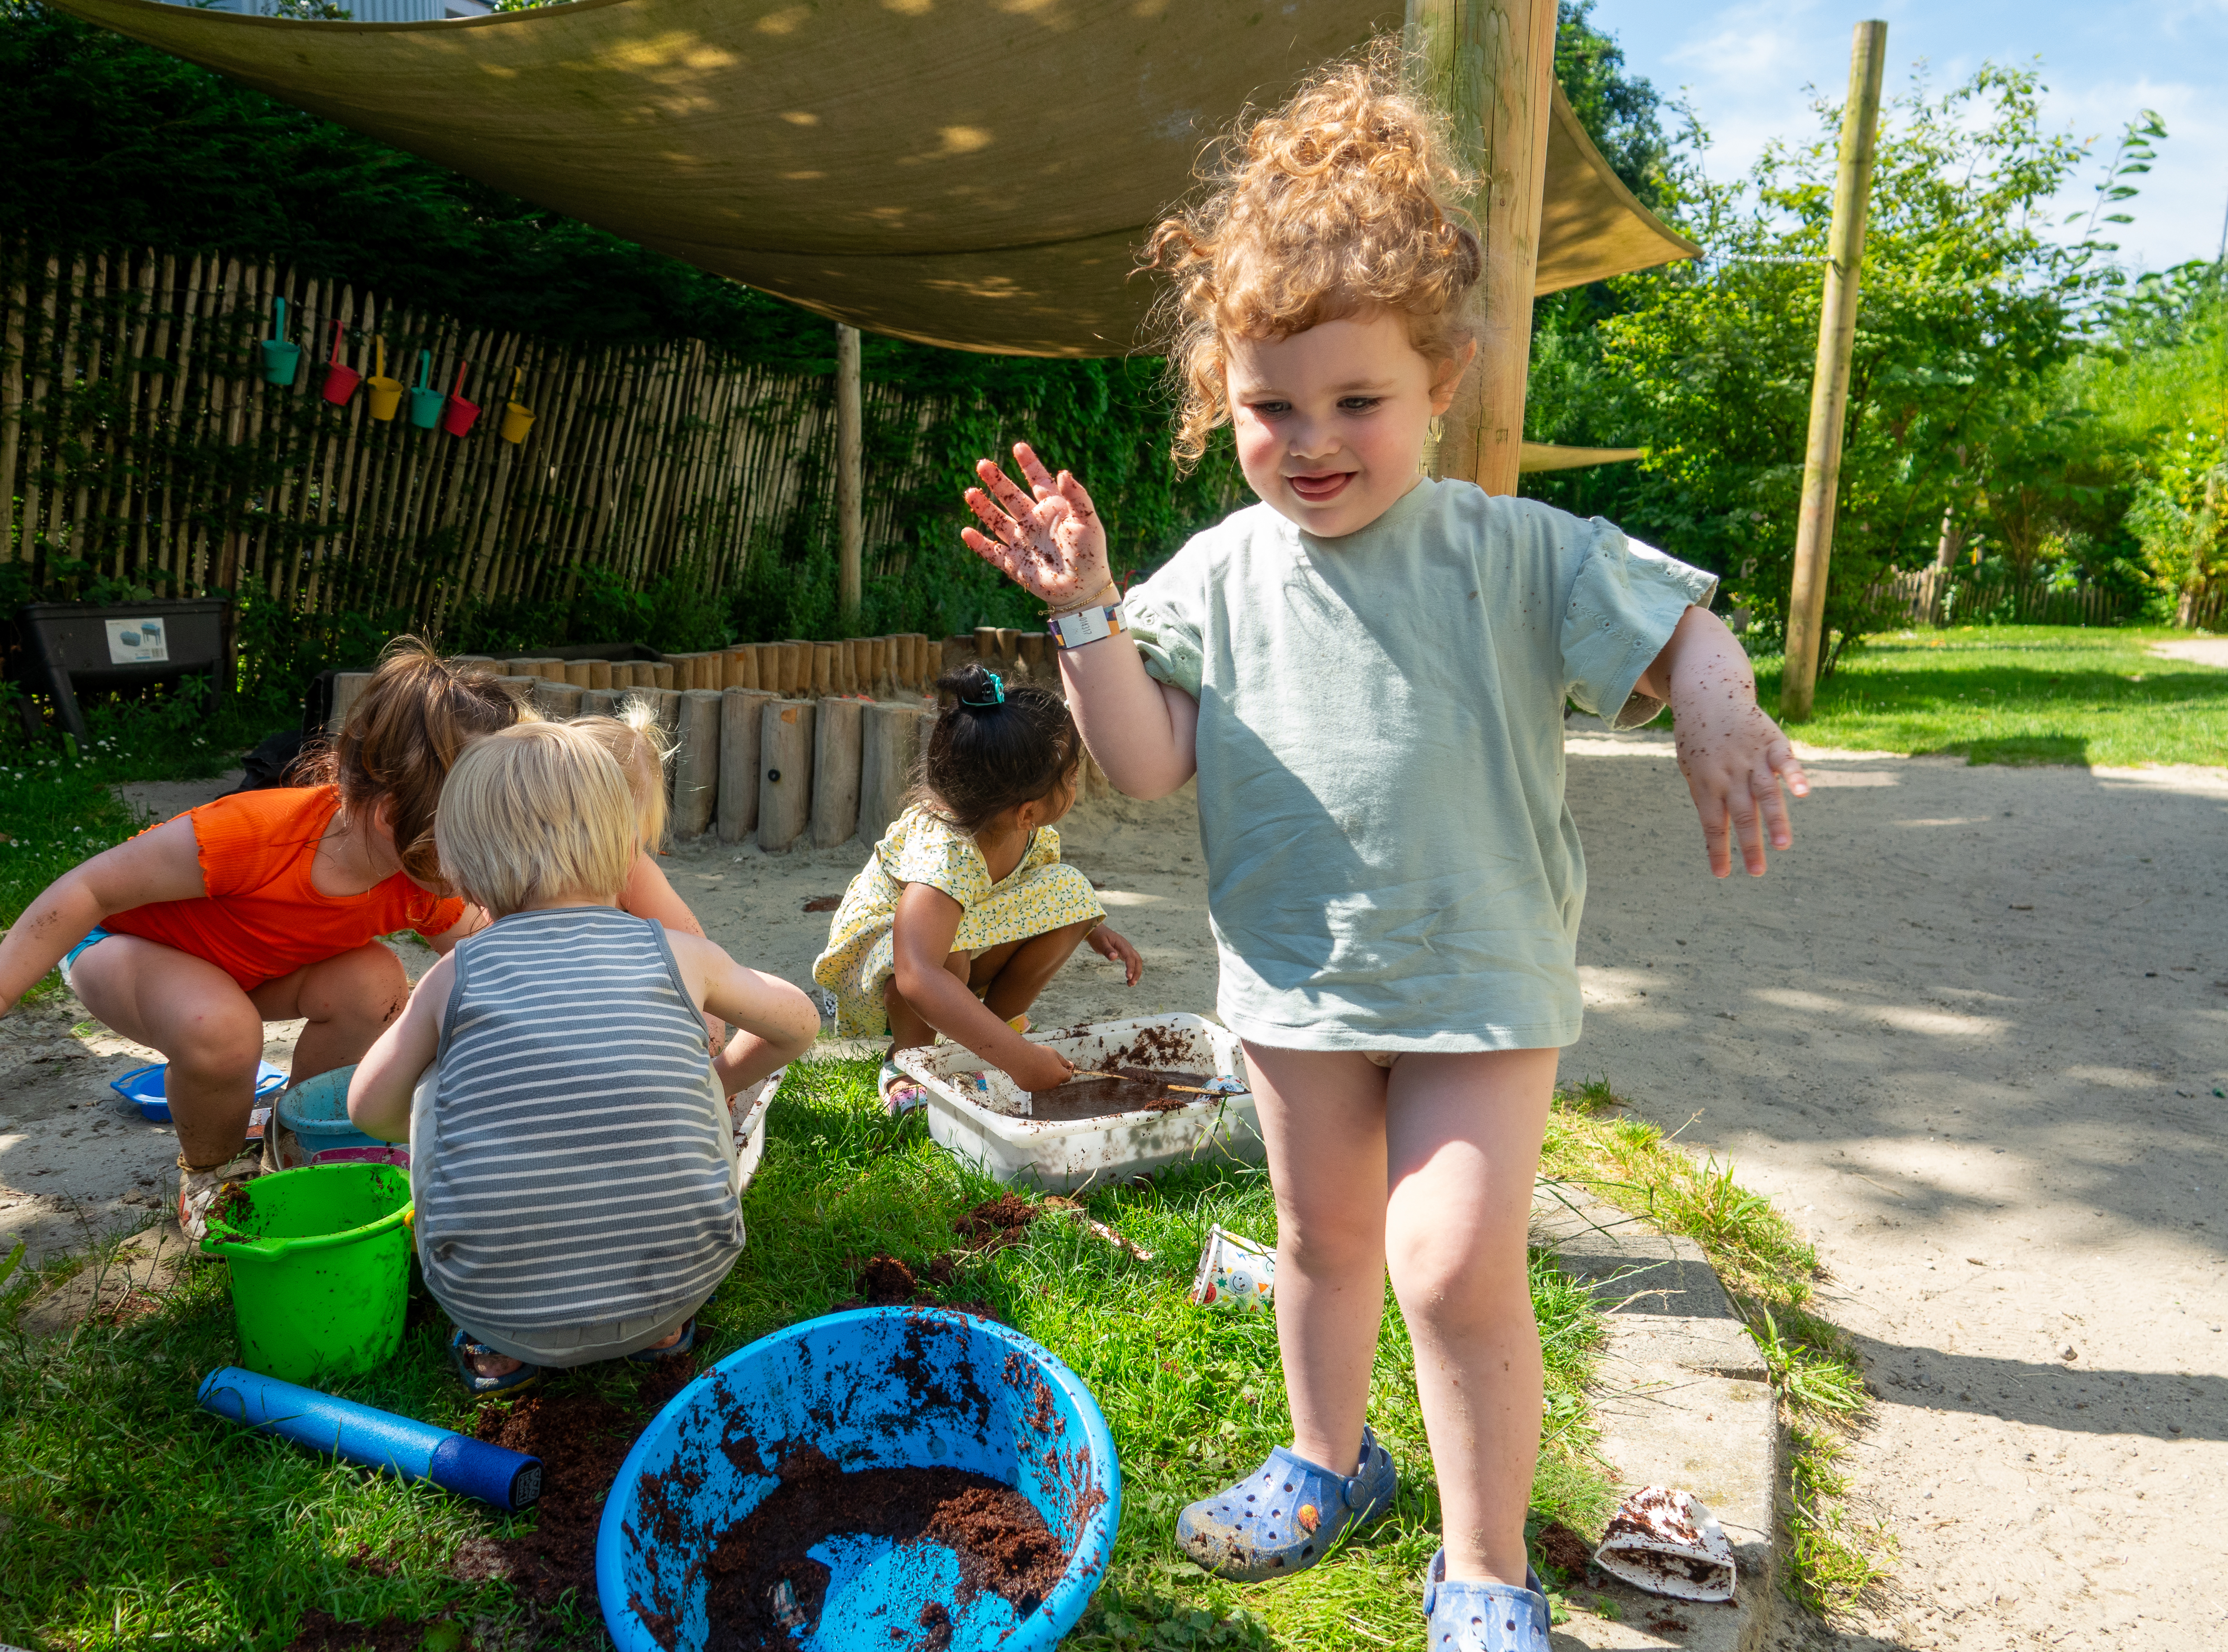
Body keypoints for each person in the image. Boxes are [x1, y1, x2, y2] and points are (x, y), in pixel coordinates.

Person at [954, 48, 1809, 1652]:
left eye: (1360, 400)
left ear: (1448, 376)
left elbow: (1684, 625)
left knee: (1447, 1259)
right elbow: (1142, 759)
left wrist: (1718, 703)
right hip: (1294, 980)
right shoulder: (1217, 571)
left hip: (1482, 973)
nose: (1317, 438)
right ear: (1226, 395)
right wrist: (1084, 611)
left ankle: (1485, 1568)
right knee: (1323, 1239)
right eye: (1274, 406)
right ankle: (1327, 1457)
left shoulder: (1516, 547)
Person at [346, 721, 819, 1394]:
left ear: (455, 868)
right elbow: (799, 1023)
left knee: (430, 1081)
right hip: (682, 1284)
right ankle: (657, 1334)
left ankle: (500, 1352)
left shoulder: (458, 974)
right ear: (629, 849)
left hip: (499, 1309)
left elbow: (365, 1106)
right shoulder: (678, 955)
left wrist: (471, 1119)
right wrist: (717, 1081)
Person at [0, 639, 519, 1237]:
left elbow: (488, 957)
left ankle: (297, 1136)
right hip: (121, 952)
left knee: (375, 983)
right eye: (483, 830)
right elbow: (87, 890)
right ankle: (214, 1177)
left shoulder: (420, 873)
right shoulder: (251, 835)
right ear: (391, 818)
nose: (494, 854)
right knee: (218, 1028)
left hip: (240, 976)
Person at [811, 663, 1144, 1115]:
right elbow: (915, 973)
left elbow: (1040, 893)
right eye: (1070, 777)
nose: (1074, 784)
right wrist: (1024, 1063)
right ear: (1027, 810)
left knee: (1072, 890)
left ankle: (991, 1036)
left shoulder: (1022, 829)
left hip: (948, 948)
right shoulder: (946, 853)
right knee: (944, 955)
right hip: (877, 973)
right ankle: (910, 1062)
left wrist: (1090, 929)